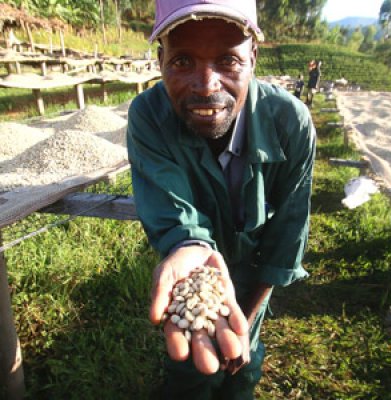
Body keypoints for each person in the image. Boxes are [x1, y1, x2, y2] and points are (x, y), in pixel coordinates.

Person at [127, 1, 316, 399]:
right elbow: (172, 209)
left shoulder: (290, 122)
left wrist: (246, 319)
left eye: (228, 60)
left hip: (254, 263)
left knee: (244, 365)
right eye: (182, 61)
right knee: (190, 372)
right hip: (190, 267)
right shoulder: (149, 115)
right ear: (160, 61)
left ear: (253, 58)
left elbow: (287, 234)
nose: (206, 84)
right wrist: (189, 247)